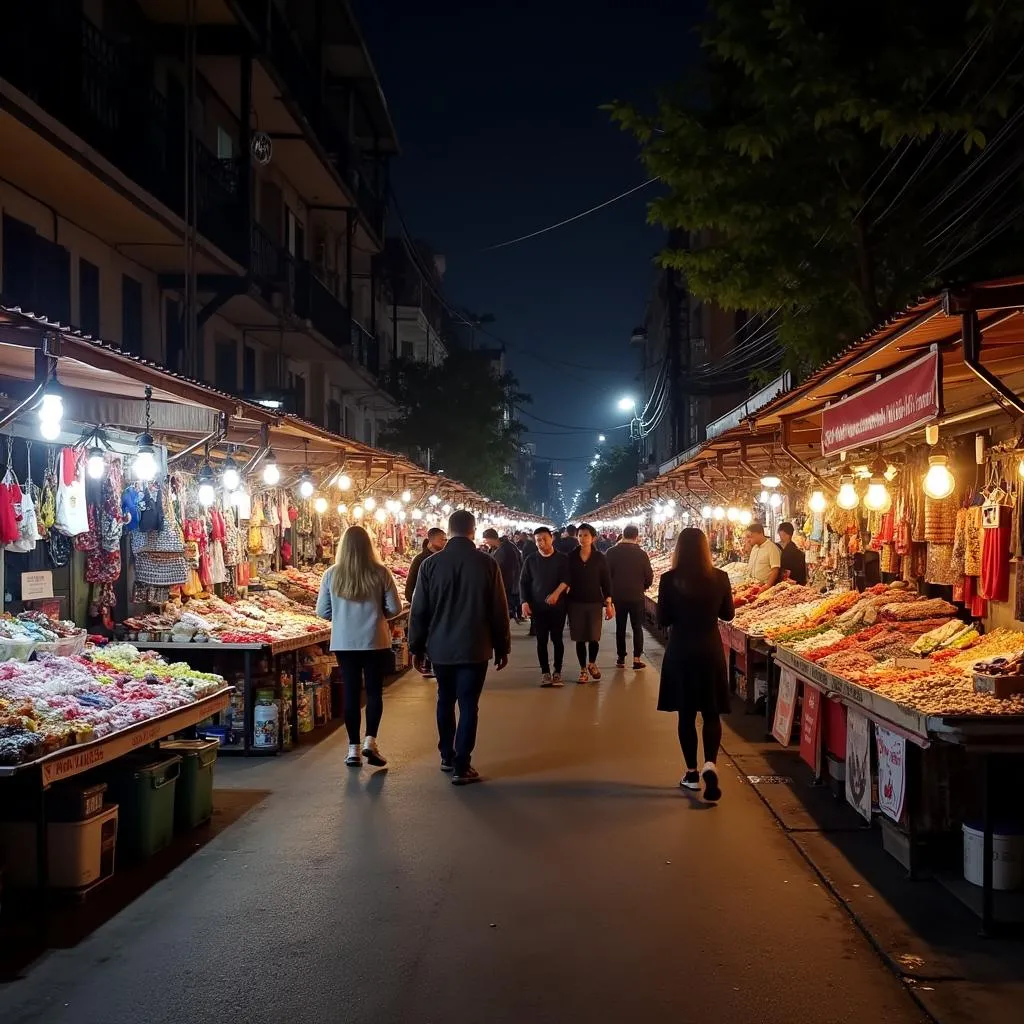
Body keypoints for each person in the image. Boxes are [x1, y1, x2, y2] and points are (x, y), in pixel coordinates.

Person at [409, 510, 511, 785]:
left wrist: (415, 647)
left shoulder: (430, 565)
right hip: (475, 646)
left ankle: (446, 755)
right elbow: (499, 610)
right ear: (473, 530)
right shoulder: (487, 564)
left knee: (445, 699)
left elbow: (419, 611)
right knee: (468, 704)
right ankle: (462, 764)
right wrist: (502, 646)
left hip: (440, 647)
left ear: (448, 531)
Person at [656, 527, 734, 802]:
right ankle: (710, 764)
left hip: (681, 651)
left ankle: (691, 773)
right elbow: (728, 614)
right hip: (710, 650)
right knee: (711, 713)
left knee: (686, 715)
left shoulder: (668, 580)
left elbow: (662, 619)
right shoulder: (720, 577)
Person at [316, 525, 402, 769]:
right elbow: (395, 609)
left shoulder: (332, 574)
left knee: (352, 693)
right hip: (375, 640)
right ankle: (370, 741)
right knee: (374, 692)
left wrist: (342, 617)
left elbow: (322, 611)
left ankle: (352, 749)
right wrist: (378, 613)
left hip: (344, 642)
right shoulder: (381, 572)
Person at [520, 526, 570, 686]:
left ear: (551, 538)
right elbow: (524, 583)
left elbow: (567, 579)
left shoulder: (562, 559)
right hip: (538, 607)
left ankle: (557, 671)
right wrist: (524, 602)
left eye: (544, 539)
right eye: (538, 540)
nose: (541, 543)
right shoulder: (531, 560)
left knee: (557, 639)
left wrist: (556, 594)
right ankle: (545, 672)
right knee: (541, 640)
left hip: (558, 607)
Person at [566, 523, 613, 683]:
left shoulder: (600, 558)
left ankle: (592, 663)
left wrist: (608, 602)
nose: (582, 538)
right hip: (575, 602)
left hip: (594, 602)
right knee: (580, 638)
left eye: (586, 535)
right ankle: (583, 669)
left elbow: (606, 581)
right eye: (579, 535)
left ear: (593, 538)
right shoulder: (571, 557)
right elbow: (565, 578)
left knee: (594, 637)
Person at [606, 524, 654, 670]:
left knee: (620, 627)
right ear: (636, 536)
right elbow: (649, 576)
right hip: (636, 596)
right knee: (637, 627)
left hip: (618, 596)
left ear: (623, 534)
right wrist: (643, 587)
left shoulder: (611, 552)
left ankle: (621, 658)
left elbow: (606, 576)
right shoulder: (642, 554)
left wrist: (609, 595)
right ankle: (637, 658)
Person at [405, 528, 447, 677]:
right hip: (425, 606)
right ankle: (427, 663)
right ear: (431, 540)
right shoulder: (420, 560)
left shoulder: (444, 558)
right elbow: (410, 587)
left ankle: (434, 664)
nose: (445, 541)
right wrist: (415, 602)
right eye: (442, 539)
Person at [483, 528, 524, 622]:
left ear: (491, 538)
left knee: (503, 607)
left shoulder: (505, 549)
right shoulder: (499, 548)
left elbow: (509, 568)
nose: (486, 543)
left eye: (486, 540)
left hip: (506, 583)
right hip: (504, 583)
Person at [743, 522, 781, 586]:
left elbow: (775, 570)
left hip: (763, 587)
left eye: (750, 536)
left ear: (760, 533)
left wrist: (767, 586)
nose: (748, 540)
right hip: (752, 585)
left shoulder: (772, 548)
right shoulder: (755, 547)